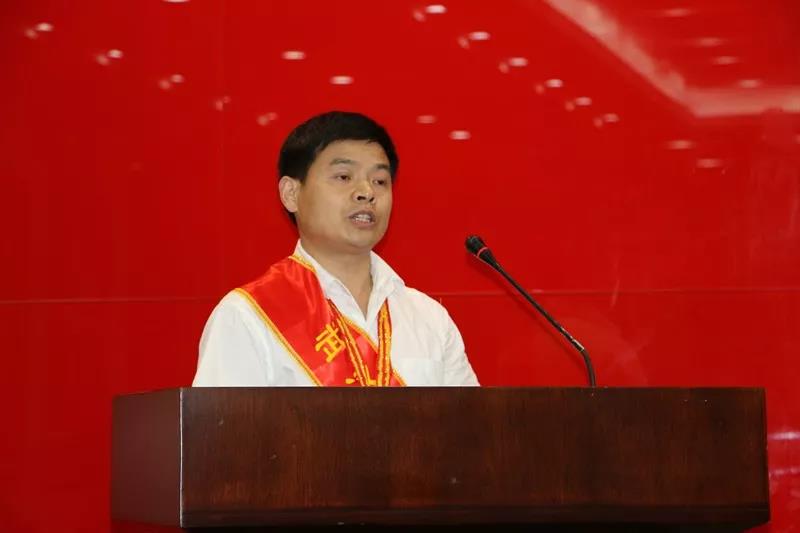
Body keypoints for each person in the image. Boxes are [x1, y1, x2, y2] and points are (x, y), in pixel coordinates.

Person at [192, 111, 478, 387]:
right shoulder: (247, 317)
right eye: (344, 177)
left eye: (380, 181)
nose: (366, 192)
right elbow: (224, 423)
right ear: (291, 194)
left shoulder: (428, 318)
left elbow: (468, 419)